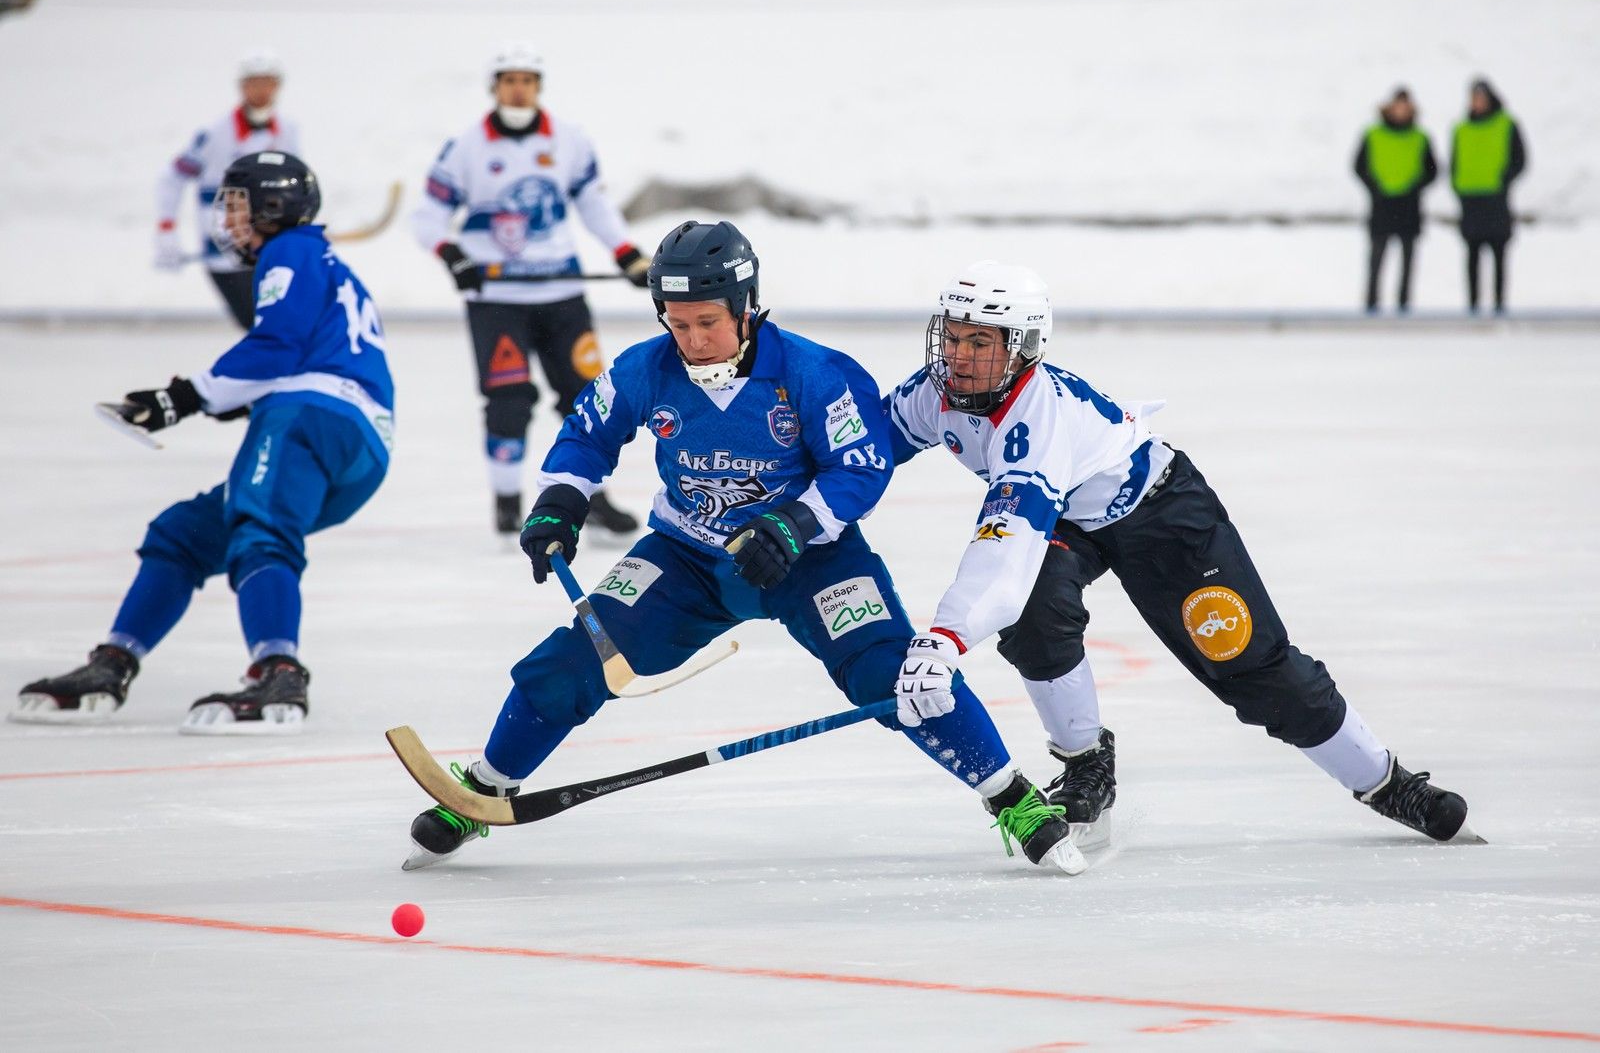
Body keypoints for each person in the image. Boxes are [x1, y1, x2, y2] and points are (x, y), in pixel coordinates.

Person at [401, 221, 1081, 873]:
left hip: (812, 559)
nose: (691, 338)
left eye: (707, 321)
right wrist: (560, 500)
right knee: (571, 662)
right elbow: (587, 433)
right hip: (687, 560)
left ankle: (1010, 794)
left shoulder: (815, 373)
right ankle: (483, 789)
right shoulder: (646, 368)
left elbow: (862, 466)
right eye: (677, 321)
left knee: (891, 673)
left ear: (748, 307)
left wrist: (793, 524)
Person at [882, 261, 1478, 859]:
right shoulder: (935, 394)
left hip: (1162, 515)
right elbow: (863, 448)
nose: (959, 356)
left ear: (1024, 348)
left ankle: (1385, 782)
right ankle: (1087, 764)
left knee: (1252, 668)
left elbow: (1004, 545)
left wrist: (943, 640)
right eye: (954, 336)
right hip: (1073, 520)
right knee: (1034, 613)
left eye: (980, 342)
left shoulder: (1036, 423)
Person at [14, 152, 393, 735]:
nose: (229, 219)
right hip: (353, 441)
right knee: (184, 535)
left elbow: (277, 346)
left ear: (275, 206)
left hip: (310, 418)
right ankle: (114, 661)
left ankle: (278, 672)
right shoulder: (322, 260)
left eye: (238, 204)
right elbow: (304, 351)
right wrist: (216, 399)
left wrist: (182, 398)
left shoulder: (288, 250)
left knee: (261, 531)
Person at [411, 42, 646, 537]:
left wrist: (624, 251)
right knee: (509, 401)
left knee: (588, 400)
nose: (518, 89)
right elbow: (428, 216)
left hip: (561, 296)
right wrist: (453, 255)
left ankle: (591, 496)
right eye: (509, 80)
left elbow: (594, 205)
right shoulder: (466, 147)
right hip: (497, 301)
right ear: (494, 87)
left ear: (538, 88)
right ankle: (506, 502)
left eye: (527, 80)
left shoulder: (569, 140)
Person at [155, 51, 301, 330]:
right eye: (254, 82)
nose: (262, 90)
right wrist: (166, 229)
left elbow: (295, 185)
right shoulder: (214, 133)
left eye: (268, 82)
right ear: (242, 87)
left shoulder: (288, 131)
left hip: (270, 247)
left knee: (278, 324)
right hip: (225, 249)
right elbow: (172, 178)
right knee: (256, 324)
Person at [1352, 87, 1437, 313]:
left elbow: (1433, 170)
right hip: (1381, 205)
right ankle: (1371, 306)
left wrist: (1414, 188)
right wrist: (1375, 187)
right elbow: (1359, 166)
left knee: (1408, 261)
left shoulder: (1420, 137)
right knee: (1376, 258)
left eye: (1405, 107)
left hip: (1409, 206)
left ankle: (1404, 307)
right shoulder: (1373, 134)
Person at [1451, 78, 1527, 313]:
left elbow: (1520, 159)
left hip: (1496, 200)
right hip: (1471, 201)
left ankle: (1499, 305)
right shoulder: (1462, 128)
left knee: (1498, 255)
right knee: (1472, 256)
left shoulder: (1506, 124)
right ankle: (1473, 306)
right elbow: (1454, 162)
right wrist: (1460, 187)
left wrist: (1503, 181)